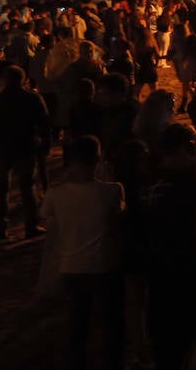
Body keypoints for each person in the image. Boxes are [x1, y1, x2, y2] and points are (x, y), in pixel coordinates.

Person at [43, 135, 125, 370]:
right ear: (97, 160)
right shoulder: (111, 191)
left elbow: (44, 212)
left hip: (72, 266)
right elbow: (120, 217)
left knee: (78, 323)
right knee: (111, 325)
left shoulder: (57, 193)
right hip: (104, 264)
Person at [142, 124, 196, 370]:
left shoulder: (149, 181)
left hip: (155, 271)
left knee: (163, 342)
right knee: (186, 340)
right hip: (185, 270)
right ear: (185, 148)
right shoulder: (188, 185)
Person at [0, 65, 52, 239]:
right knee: (27, 189)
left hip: (2, 149)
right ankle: (31, 226)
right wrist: (45, 146)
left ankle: (0, 228)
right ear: (23, 80)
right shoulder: (33, 99)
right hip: (25, 147)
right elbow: (45, 124)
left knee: (1, 189)